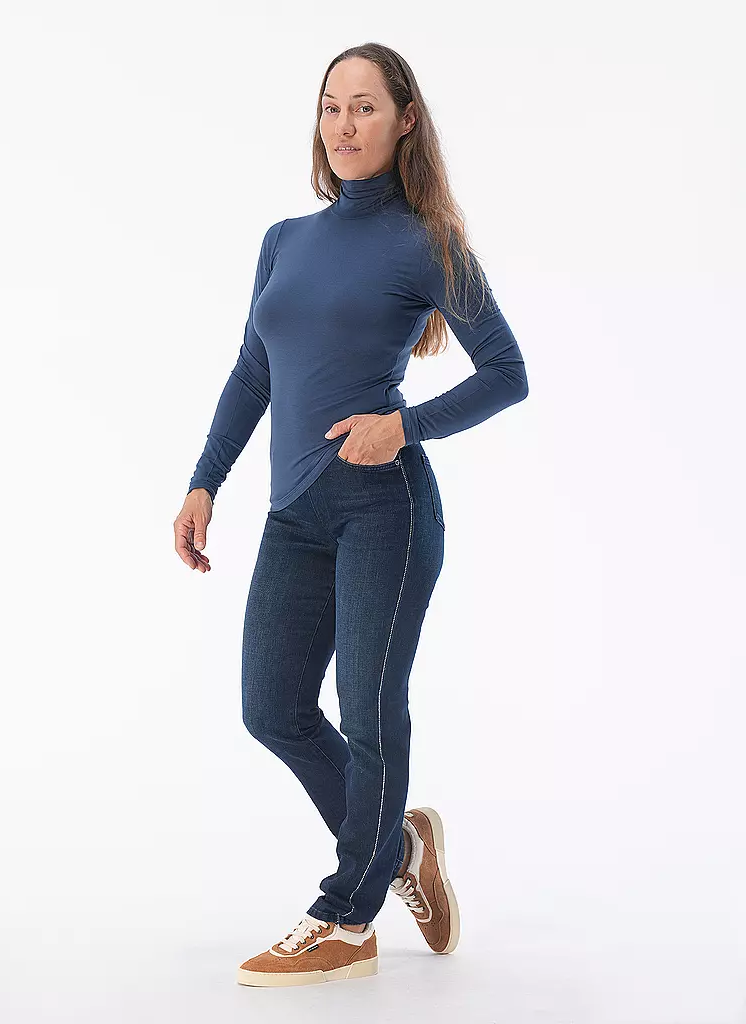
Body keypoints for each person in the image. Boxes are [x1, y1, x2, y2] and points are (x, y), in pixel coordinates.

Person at [173, 42, 529, 988]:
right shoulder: (284, 240)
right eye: (331, 106)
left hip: (385, 510)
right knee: (272, 708)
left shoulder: (428, 242)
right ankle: (400, 846)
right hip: (295, 513)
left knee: (368, 710)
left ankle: (348, 914)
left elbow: (507, 373)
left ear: (406, 120)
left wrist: (404, 425)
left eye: (365, 107)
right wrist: (206, 479)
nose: (343, 124)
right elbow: (255, 369)